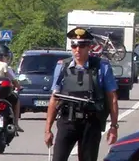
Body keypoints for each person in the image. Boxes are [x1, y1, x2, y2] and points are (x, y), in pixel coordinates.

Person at [45, 27, 120, 161]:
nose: (77, 49)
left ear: (89, 47)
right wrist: (47, 130)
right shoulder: (62, 66)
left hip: (91, 123)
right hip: (67, 121)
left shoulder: (102, 67)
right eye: (74, 46)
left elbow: (112, 98)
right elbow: (54, 99)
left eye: (82, 45)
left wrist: (113, 127)